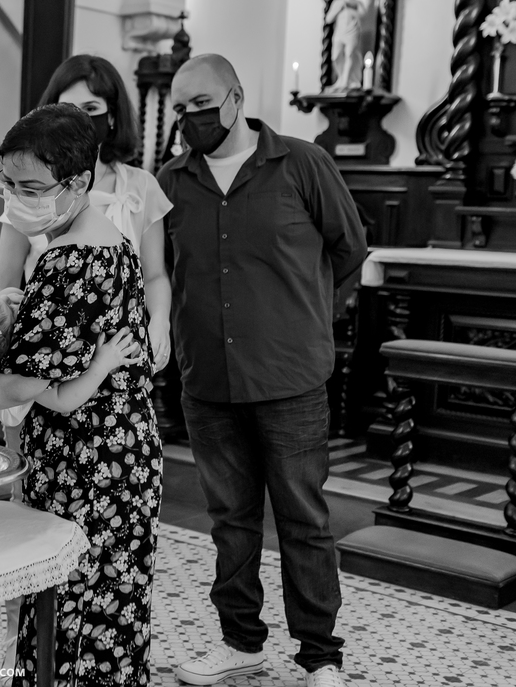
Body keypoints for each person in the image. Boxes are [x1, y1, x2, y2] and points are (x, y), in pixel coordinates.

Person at [157, 54, 366, 687]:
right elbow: (158, 274)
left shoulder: (302, 164)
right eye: (180, 109)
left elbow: (348, 248)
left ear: (236, 97)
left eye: (201, 105)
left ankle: (320, 656)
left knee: (304, 519)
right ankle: (241, 642)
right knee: (231, 520)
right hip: (207, 379)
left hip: (290, 379)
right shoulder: (170, 181)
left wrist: (309, 321)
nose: (191, 119)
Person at [0, 103, 161, 687]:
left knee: (72, 618)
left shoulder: (72, 262)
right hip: (117, 455)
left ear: (79, 183)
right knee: (103, 613)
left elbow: (23, 382)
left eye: (32, 188)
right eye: (8, 184)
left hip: (90, 464)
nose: (17, 199)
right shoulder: (104, 239)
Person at [0, 54, 172, 372]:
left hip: (118, 352)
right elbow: (4, 278)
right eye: (69, 109)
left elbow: (154, 274)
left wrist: (159, 322)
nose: (80, 119)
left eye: (91, 109)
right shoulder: (29, 188)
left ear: (112, 116)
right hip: (47, 351)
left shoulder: (141, 186)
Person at [0, 291, 143, 428]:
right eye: (13, 313)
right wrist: (101, 366)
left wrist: (3, 298)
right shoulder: (22, 372)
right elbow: (63, 399)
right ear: (10, 346)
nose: (16, 305)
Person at [326, 0, 363, 92]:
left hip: (352, 31)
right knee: (336, 56)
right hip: (340, 32)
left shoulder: (356, 2)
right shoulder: (337, 2)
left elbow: (363, 17)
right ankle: (341, 78)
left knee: (350, 54)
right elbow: (328, 19)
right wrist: (339, 7)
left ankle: (346, 82)